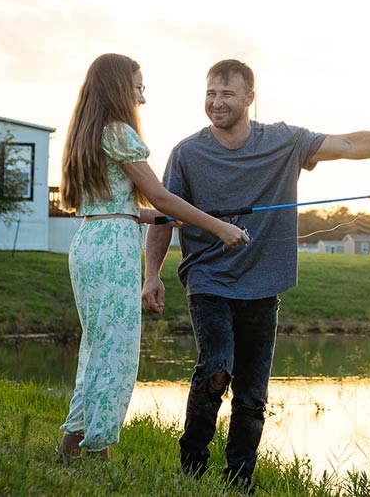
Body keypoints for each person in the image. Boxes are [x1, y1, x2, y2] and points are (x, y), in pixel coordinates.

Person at [140, 59, 370, 485]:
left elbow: (348, 144)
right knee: (216, 369)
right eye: (210, 93)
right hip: (209, 281)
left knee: (252, 397)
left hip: (264, 284)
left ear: (250, 98)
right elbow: (165, 214)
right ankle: (192, 468)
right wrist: (152, 275)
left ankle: (239, 480)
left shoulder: (284, 142)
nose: (216, 103)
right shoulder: (188, 153)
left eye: (227, 94)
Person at [57, 54, 249, 459]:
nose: (142, 99)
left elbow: (119, 206)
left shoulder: (86, 134)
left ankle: (72, 443)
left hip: (91, 240)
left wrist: (170, 217)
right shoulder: (120, 133)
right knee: (117, 353)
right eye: (138, 88)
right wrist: (218, 227)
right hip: (113, 251)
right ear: (118, 88)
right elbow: (159, 194)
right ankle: (97, 452)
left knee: (96, 348)